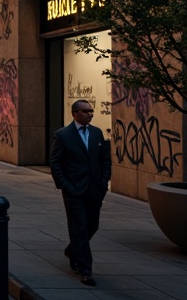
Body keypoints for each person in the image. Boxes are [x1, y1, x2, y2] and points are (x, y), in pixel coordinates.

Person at [50, 100, 111, 287]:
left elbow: (105, 160)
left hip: (94, 190)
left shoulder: (96, 133)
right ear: (75, 113)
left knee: (92, 226)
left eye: (91, 111)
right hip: (73, 191)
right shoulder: (63, 135)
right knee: (79, 228)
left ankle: (72, 250)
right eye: (86, 111)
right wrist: (65, 185)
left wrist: (103, 183)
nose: (90, 114)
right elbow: (55, 162)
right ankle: (85, 270)